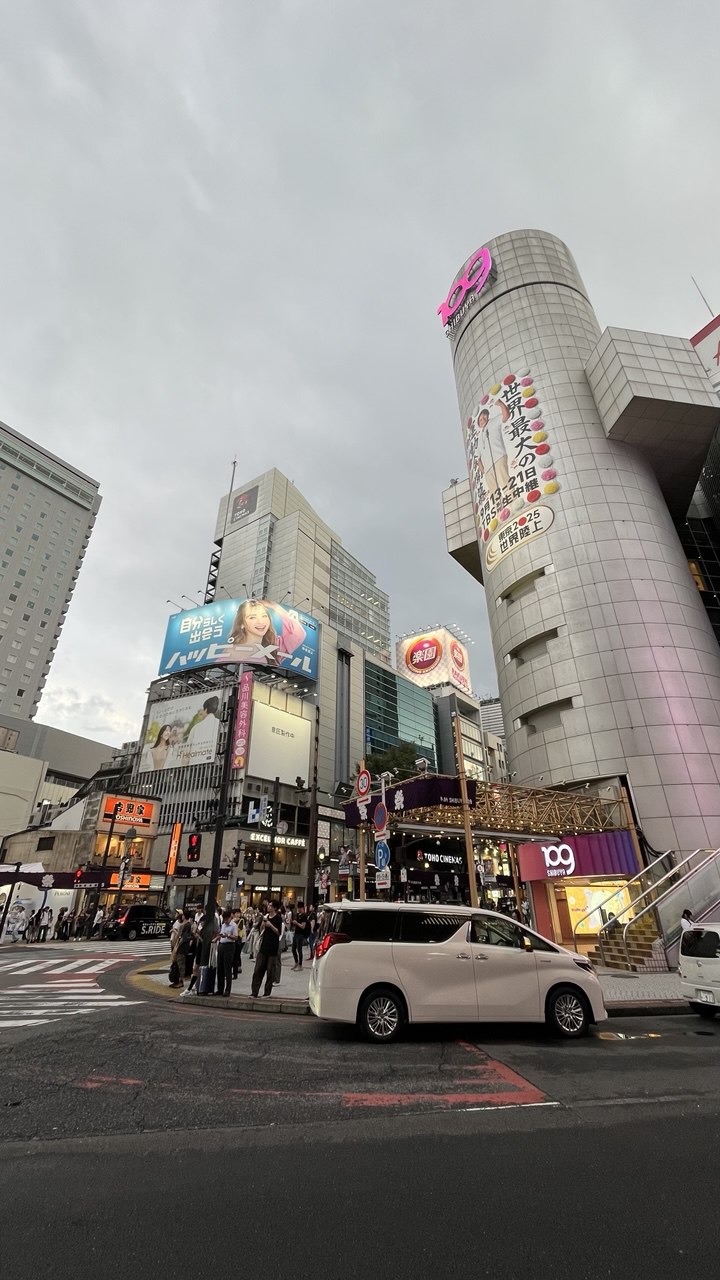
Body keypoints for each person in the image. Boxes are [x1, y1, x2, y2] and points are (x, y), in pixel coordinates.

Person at [219, 600, 307, 667]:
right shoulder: (230, 650)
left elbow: (299, 634)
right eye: (252, 617)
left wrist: (275, 606)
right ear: (242, 623)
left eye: (264, 616)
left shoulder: (274, 645)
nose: (260, 622)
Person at [251, 900, 283, 998]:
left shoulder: (278, 918)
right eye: (268, 905)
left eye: (270, 906)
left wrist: (271, 925)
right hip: (263, 946)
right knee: (258, 970)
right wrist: (263, 925)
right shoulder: (265, 917)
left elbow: (279, 932)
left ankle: (267, 992)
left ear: (275, 908)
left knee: (270, 972)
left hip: (273, 948)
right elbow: (261, 930)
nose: (268, 907)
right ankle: (254, 992)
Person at [216, 909, 238, 997]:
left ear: (230, 917)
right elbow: (221, 934)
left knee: (227, 968)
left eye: (226, 919)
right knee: (220, 967)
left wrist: (228, 935)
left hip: (229, 946)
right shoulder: (223, 925)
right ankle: (220, 988)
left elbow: (236, 937)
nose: (225, 921)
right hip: (221, 944)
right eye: (224, 919)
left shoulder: (234, 925)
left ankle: (227, 989)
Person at [291, 900, 308, 971]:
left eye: (299, 908)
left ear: (302, 908)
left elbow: (303, 926)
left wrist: (297, 923)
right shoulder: (298, 915)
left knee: (299, 950)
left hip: (300, 934)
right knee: (293, 949)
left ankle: (300, 965)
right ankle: (296, 962)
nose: (298, 909)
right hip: (296, 933)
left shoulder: (304, 915)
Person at [232, 910, 244, 979]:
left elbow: (238, 929)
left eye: (238, 913)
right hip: (232, 940)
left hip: (238, 940)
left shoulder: (241, 920)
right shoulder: (232, 920)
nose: (237, 914)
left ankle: (235, 973)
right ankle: (233, 971)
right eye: (236, 913)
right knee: (232, 957)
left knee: (236, 957)